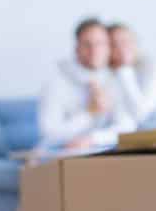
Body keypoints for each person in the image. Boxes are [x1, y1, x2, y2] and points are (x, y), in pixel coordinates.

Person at [39, 18, 135, 149]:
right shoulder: (57, 82)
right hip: (61, 152)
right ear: (77, 48)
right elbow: (49, 134)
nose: (94, 50)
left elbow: (127, 127)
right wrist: (90, 113)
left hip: (102, 151)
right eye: (87, 44)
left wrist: (93, 139)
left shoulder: (114, 80)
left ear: (108, 48)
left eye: (100, 43)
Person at [108, 23, 156, 128]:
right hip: (138, 137)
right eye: (114, 45)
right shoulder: (112, 74)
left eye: (125, 42)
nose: (121, 49)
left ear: (136, 42)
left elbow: (139, 113)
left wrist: (123, 70)